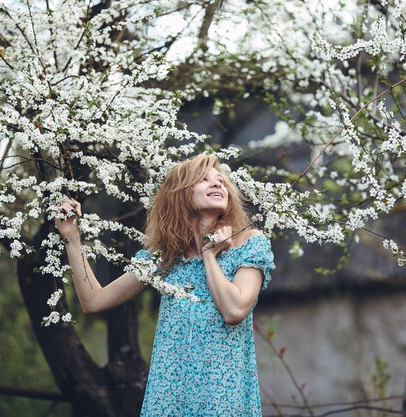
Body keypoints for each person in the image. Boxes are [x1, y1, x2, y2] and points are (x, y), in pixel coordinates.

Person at [55, 154, 275, 416]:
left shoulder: (249, 243)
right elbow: (94, 300)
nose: (217, 185)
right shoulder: (165, 257)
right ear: (180, 194)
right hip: (168, 396)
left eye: (221, 181)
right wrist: (72, 237)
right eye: (204, 180)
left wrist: (209, 256)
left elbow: (235, 310)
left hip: (222, 397)